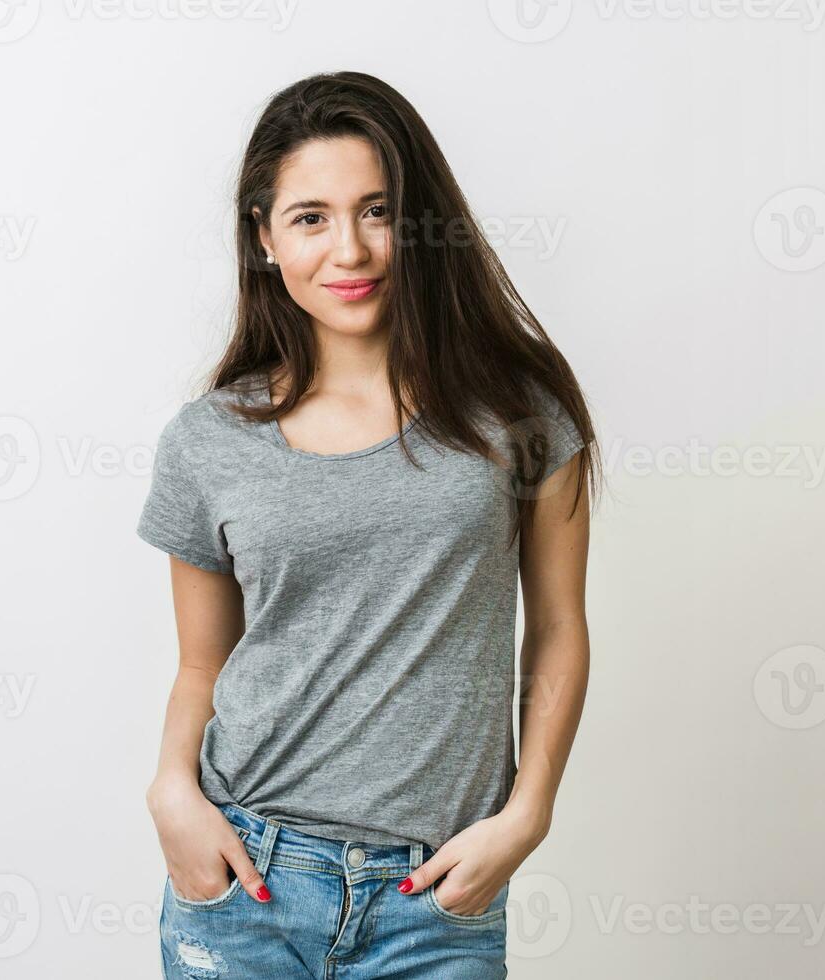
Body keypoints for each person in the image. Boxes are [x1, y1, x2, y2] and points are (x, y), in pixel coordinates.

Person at [137, 70, 597, 978]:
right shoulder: (208, 440)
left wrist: (529, 811)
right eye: (310, 217)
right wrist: (170, 795)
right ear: (264, 238)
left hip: (434, 897)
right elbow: (202, 664)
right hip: (246, 881)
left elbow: (557, 631)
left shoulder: (520, 411)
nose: (350, 249)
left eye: (377, 211)